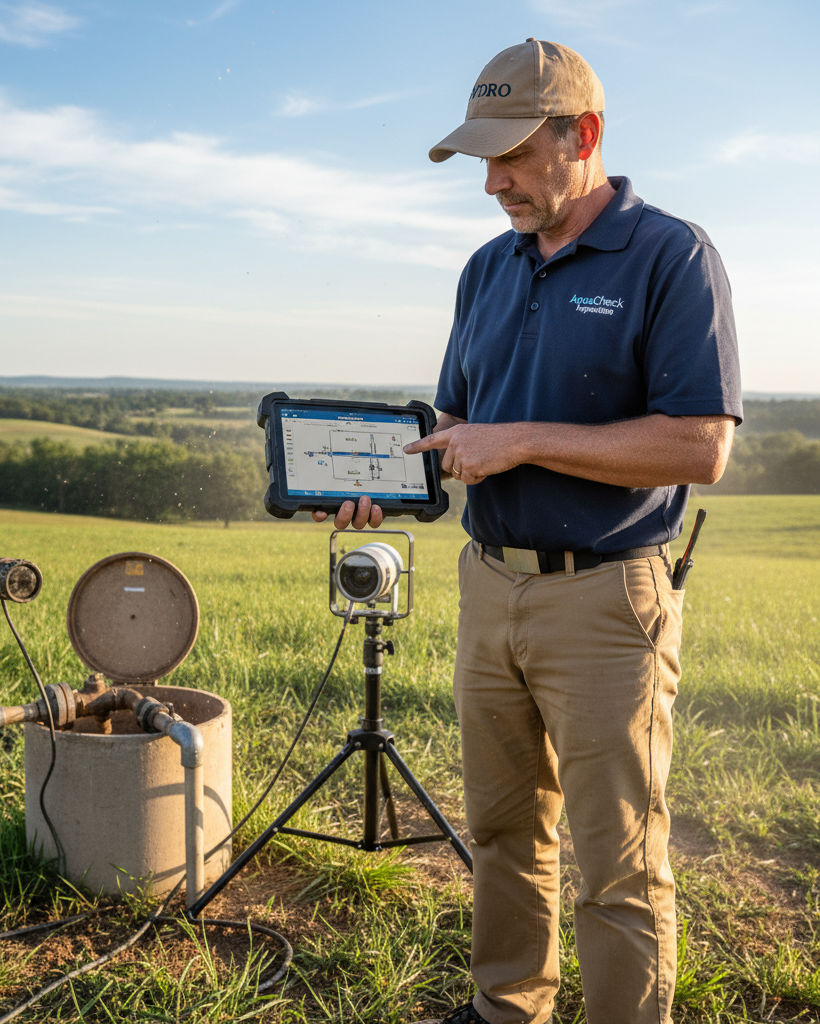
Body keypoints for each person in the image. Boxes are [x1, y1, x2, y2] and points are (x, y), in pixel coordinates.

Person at [312, 38, 741, 1024]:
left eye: (510, 157)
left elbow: (698, 444)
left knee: (617, 859)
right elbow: (460, 425)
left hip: (605, 596)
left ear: (582, 135)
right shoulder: (486, 269)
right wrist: (381, 477)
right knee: (503, 829)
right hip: (487, 581)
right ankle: (508, 1006)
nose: (492, 182)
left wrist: (521, 445)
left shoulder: (670, 255)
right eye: (480, 161)